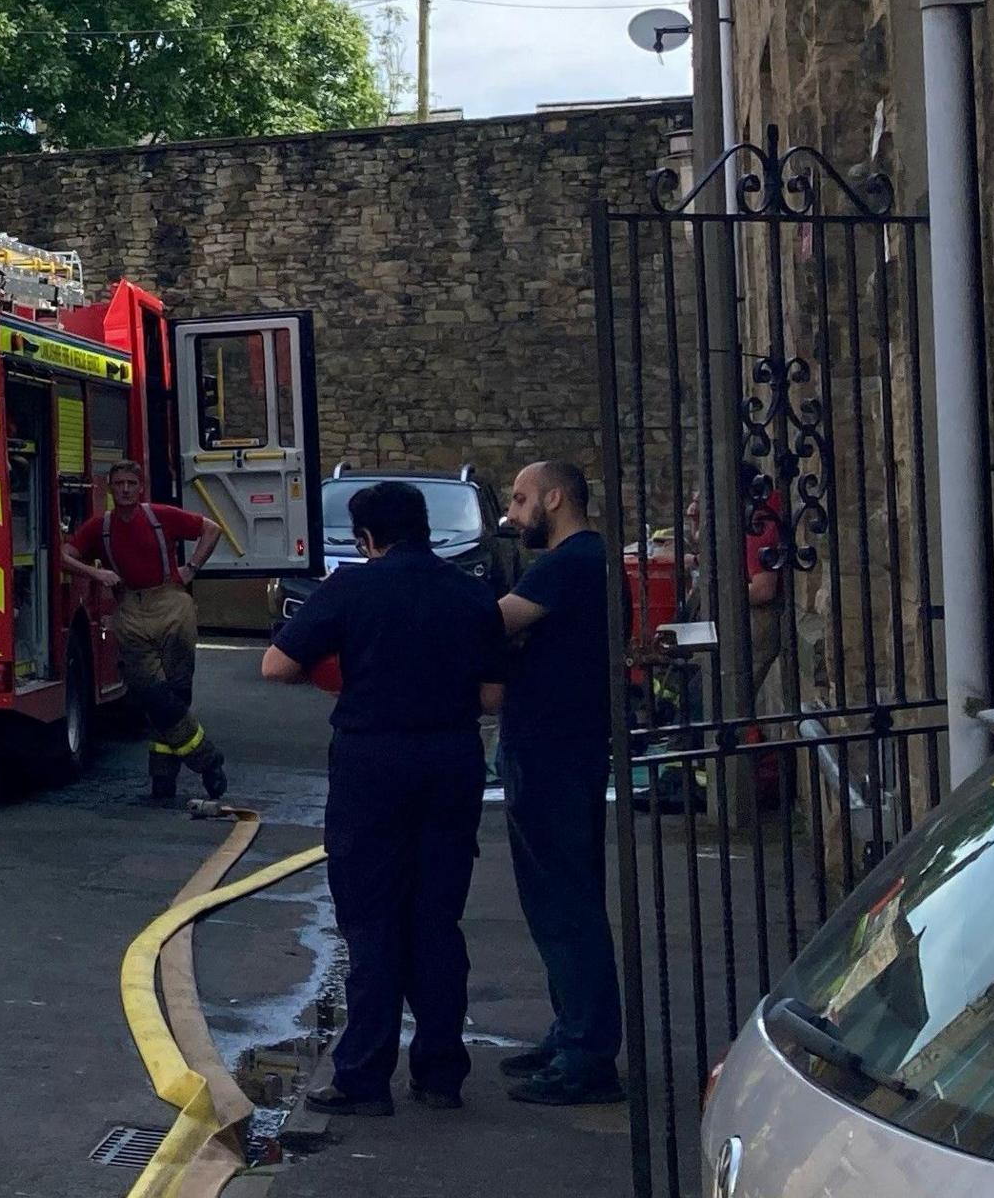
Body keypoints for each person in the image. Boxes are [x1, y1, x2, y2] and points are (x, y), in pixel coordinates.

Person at [262, 478, 507, 1118]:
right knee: (435, 918)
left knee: (371, 920)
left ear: (366, 537)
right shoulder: (470, 592)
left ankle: (364, 1077)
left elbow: (277, 666)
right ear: (424, 527)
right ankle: (440, 1073)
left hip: (373, 760)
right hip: (451, 759)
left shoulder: (352, 586)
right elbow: (491, 696)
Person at [493, 459, 624, 1107]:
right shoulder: (586, 562)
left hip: (552, 748)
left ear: (554, 497)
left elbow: (491, 625)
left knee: (565, 901)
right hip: (555, 743)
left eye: (520, 500)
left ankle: (586, 1053)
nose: (512, 514)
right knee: (556, 900)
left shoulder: (570, 563)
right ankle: (572, 1030)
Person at [60, 460, 230, 805]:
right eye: (118, 483)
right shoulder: (99, 527)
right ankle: (207, 759)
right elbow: (64, 556)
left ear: (141, 487)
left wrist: (191, 568)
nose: (124, 489)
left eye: (130, 483)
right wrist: (95, 575)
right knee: (151, 693)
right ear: (109, 488)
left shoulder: (161, 516)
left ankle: (162, 780)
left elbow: (212, 529)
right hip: (130, 610)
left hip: (170, 603)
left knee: (177, 694)